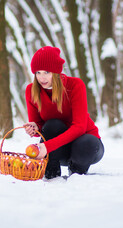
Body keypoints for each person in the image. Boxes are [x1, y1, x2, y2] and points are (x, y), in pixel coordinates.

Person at [23, 46, 104, 179]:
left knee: (86, 142)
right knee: (51, 125)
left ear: (56, 72)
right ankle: (51, 172)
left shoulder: (75, 85)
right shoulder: (31, 91)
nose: (41, 77)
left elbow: (79, 127)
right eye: (38, 72)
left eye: (46, 72)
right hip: (58, 149)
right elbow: (39, 125)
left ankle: (77, 172)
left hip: (86, 148)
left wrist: (47, 147)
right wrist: (34, 128)